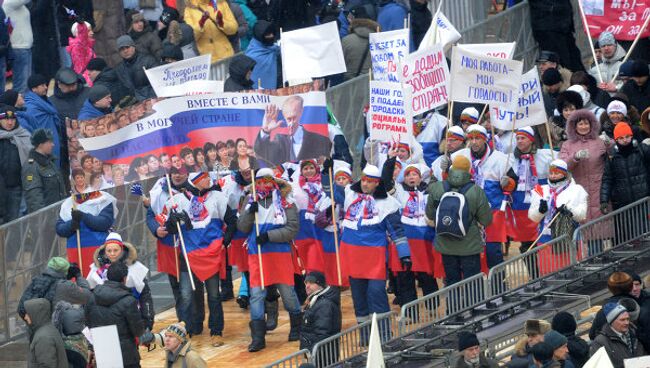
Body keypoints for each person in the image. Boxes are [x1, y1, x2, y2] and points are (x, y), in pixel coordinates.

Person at [164, 172, 237, 347]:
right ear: (195, 182)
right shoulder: (178, 200)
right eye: (203, 178)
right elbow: (171, 229)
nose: (208, 179)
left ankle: (216, 331)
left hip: (211, 253)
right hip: (188, 256)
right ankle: (183, 331)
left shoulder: (218, 197)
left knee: (214, 295)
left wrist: (224, 242)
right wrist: (172, 222)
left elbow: (232, 221)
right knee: (186, 295)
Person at [337, 164, 410, 334]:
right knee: (359, 297)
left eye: (369, 181)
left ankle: (383, 334)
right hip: (352, 256)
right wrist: (326, 173)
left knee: (376, 294)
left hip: (374, 258)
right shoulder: (350, 194)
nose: (365, 184)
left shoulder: (388, 203)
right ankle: (365, 335)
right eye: (363, 180)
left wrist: (404, 254)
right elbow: (330, 191)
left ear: (377, 183)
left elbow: (397, 231)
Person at [237, 168, 302, 352]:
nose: (263, 184)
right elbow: (242, 227)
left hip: (279, 253)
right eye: (260, 181)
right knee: (256, 294)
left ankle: (296, 324)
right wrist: (250, 212)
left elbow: (292, 228)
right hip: (257, 254)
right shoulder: (250, 200)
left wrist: (269, 236)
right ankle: (258, 336)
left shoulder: (286, 201)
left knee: (287, 292)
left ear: (273, 181)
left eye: (267, 180)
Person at [450, 124, 510, 270]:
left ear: (485, 139)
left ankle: (498, 286)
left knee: (492, 251)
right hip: (467, 212)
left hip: (492, 212)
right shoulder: (459, 157)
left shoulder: (501, 159)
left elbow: (511, 185)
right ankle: (476, 289)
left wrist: (508, 183)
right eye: (471, 138)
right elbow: (450, 182)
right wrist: (446, 170)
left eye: (478, 138)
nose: (474, 142)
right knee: (471, 252)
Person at [426, 155, 492, 286]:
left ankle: (453, 306)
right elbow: (486, 220)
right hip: (470, 245)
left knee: (451, 281)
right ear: (469, 170)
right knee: (472, 282)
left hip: (445, 243)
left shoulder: (438, 187)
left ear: (452, 168)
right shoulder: (476, 191)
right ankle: (472, 306)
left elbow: (429, 214)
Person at [527, 159, 588, 274]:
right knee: (548, 271)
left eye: (557, 173)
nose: (553, 176)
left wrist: (569, 211)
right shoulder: (541, 190)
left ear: (564, 174)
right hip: (546, 238)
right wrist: (540, 211)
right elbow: (533, 217)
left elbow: (582, 214)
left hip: (568, 235)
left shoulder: (576, 190)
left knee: (570, 270)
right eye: (551, 173)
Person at [505, 127, 554, 268]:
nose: (519, 141)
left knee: (542, 240)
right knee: (527, 244)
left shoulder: (545, 156)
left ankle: (546, 271)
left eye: (523, 138)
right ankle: (534, 277)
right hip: (520, 208)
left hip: (541, 207)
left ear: (531, 140)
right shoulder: (510, 159)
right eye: (518, 138)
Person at [86, 232, 155, 331]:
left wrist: (148, 320)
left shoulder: (135, 267)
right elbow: (89, 297)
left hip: (128, 317)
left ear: (122, 250)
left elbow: (145, 296)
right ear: (104, 251)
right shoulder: (96, 269)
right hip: (103, 321)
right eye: (109, 251)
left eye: (115, 250)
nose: (112, 254)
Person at [86, 262, 145, 368]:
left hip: (103, 351)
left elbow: (88, 323)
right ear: (125, 278)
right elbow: (138, 330)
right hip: (126, 355)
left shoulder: (92, 297)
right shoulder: (128, 301)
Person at [559, 109, 610, 225]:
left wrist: (609, 143)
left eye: (586, 123)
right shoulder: (567, 145)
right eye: (580, 124)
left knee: (603, 226)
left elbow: (612, 156)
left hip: (600, 188)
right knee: (584, 225)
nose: (584, 127)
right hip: (579, 188)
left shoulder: (599, 141)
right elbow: (562, 166)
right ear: (574, 126)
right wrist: (575, 157)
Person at [55, 189, 118, 277]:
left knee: (99, 278)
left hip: (98, 248)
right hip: (76, 248)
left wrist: (84, 217)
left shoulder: (104, 199)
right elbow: (60, 229)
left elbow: (105, 222)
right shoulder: (68, 203)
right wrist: (72, 224)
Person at [254, 96, 332, 166]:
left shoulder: (319, 139)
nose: (291, 123)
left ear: (301, 112)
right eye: (288, 119)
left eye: (294, 118)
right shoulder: (280, 140)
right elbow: (261, 152)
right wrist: (265, 130)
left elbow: (326, 163)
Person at [601, 122, 650, 212]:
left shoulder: (642, 149)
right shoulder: (612, 155)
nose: (625, 140)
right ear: (616, 139)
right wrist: (604, 200)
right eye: (621, 138)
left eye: (627, 136)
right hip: (624, 204)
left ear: (631, 136)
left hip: (644, 199)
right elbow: (607, 178)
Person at [529, 0, 583, 72]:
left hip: (564, 25)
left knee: (574, 61)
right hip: (548, 27)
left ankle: (582, 81)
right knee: (562, 64)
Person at [22, 128, 66, 214]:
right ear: (40, 144)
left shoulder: (49, 162)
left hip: (58, 212)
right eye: (49, 142)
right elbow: (34, 199)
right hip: (47, 217)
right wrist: (42, 219)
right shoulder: (31, 166)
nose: (53, 144)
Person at [590, 302, 646, 368]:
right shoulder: (600, 342)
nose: (627, 322)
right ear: (612, 321)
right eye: (622, 320)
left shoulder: (634, 332)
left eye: (628, 319)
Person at [24, 74, 64, 167]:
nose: (46, 87)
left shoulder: (44, 100)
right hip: (43, 146)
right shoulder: (30, 107)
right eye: (42, 85)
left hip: (52, 141)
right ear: (34, 89)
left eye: (45, 85)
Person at [0, 107, 31, 223]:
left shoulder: (24, 135)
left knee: (14, 223)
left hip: (16, 187)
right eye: (6, 119)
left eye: (12, 119)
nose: (9, 122)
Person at [299, 271, 341, 353]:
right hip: (317, 351)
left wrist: (314, 352)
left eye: (311, 283)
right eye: (306, 283)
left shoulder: (324, 305)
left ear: (320, 285)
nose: (307, 286)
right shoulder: (315, 301)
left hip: (322, 354)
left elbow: (322, 334)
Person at [589, 271, 638, 340]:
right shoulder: (642, 304)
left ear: (610, 288)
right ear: (631, 287)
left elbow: (592, 335)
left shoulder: (603, 312)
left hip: (614, 348)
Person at [24, 298, 68, 368]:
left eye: (28, 313)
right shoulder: (48, 328)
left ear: (36, 314)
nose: (25, 317)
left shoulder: (43, 337)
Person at [114, 35, 159, 102]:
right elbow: (123, 91)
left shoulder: (148, 60)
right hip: (134, 104)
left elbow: (157, 82)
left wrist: (148, 100)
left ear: (133, 47)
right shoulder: (119, 69)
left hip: (152, 99)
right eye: (122, 49)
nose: (125, 51)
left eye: (127, 47)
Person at [2, 0, 32, 93]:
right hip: (18, 47)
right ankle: (18, 106)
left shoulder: (19, 5)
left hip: (25, 47)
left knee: (26, 84)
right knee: (21, 86)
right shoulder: (9, 2)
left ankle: (25, 106)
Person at [341, 7, 379, 81]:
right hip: (375, 84)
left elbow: (341, 65)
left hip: (351, 85)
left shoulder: (346, 40)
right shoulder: (380, 39)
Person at [67, 21, 96, 86]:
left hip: (90, 79)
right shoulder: (78, 47)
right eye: (88, 31)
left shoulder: (87, 46)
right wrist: (82, 26)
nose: (92, 33)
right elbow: (82, 38)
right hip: (86, 82)